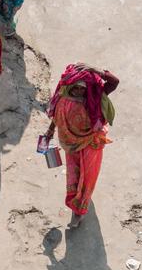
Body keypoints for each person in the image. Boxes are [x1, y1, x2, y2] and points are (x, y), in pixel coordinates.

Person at [43, 63, 119, 227]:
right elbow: (57, 116)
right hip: (70, 145)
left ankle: (79, 211)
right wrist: (50, 131)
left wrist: (96, 70)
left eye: (83, 88)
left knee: (87, 178)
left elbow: (114, 81)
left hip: (91, 143)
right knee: (74, 176)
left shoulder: (95, 98)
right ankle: (75, 202)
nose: (79, 91)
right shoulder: (63, 98)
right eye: (76, 87)